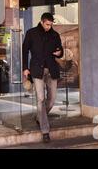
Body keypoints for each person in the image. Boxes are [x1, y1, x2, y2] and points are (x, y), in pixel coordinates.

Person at [22, 12, 63, 143]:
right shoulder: (31, 33)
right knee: (41, 98)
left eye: (51, 25)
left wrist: (59, 52)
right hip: (36, 70)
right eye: (47, 24)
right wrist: (25, 68)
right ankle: (45, 131)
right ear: (41, 22)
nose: (49, 27)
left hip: (52, 70)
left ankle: (40, 117)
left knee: (52, 100)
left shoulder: (55, 35)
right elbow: (24, 50)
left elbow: (60, 50)